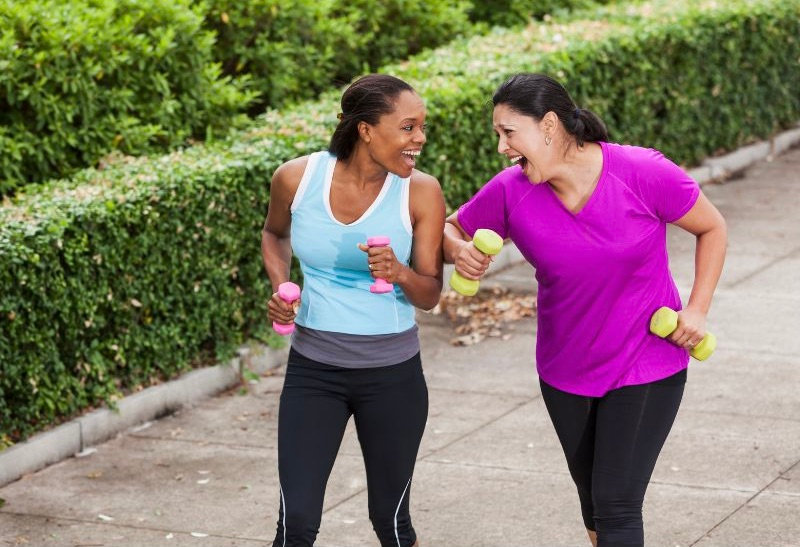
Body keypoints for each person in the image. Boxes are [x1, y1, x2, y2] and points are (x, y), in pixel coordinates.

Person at [443, 73, 727, 547]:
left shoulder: (641, 171)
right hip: (564, 370)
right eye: (498, 135)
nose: (501, 148)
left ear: (549, 125)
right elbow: (452, 228)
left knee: (616, 504)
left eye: (509, 133)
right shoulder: (511, 190)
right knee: (594, 502)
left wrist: (696, 310)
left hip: (645, 362)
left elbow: (712, 227)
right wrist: (459, 251)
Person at [261, 73, 445, 547]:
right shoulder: (296, 178)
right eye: (408, 128)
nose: (420, 138)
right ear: (366, 130)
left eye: (421, 128)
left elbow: (429, 294)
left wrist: (400, 273)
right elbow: (274, 234)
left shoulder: (421, 192)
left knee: (392, 520)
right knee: (296, 523)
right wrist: (283, 287)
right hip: (313, 373)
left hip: (393, 378)